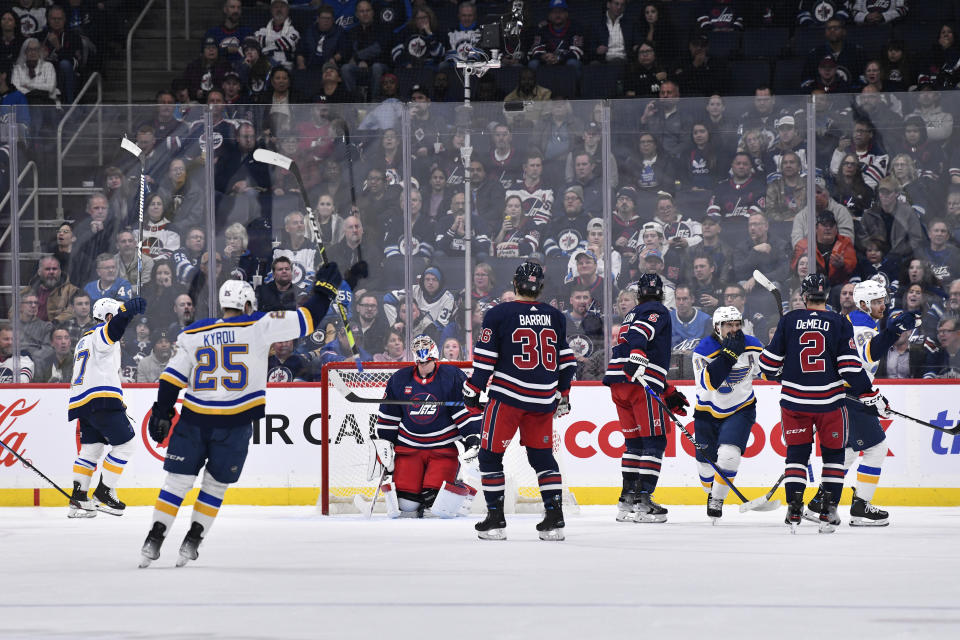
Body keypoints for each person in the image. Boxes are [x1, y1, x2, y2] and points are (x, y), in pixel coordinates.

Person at [139, 264, 342, 567]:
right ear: (247, 306)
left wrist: (163, 411)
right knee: (215, 486)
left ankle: (154, 538)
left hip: (195, 418)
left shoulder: (194, 332)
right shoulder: (259, 325)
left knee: (177, 482)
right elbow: (307, 319)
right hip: (235, 423)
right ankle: (192, 540)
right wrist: (324, 292)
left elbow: (171, 379)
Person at [759, 274, 888, 533]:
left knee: (796, 456)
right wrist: (869, 393)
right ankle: (828, 512)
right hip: (830, 403)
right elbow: (850, 367)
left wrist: (780, 371)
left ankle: (794, 508)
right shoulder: (840, 322)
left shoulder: (789, 321)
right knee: (833, 457)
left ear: (804, 296)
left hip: (794, 402)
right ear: (827, 295)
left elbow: (767, 366)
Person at [464, 262, 576, 541]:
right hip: (543, 400)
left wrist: (473, 388)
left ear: (515, 284)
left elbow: (486, 359)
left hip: (508, 398)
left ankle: (495, 519)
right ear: (540, 286)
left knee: (490, 456)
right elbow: (568, 363)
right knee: (542, 457)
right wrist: (563, 393)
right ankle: (554, 518)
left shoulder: (499, 313)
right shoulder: (556, 316)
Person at [801, 279, 919, 527]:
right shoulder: (860, 322)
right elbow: (868, 354)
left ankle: (819, 503)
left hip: (847, 395)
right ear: (863, 303)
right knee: (876, 449)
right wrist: (893, 331)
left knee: (850, 451)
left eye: (883, 300)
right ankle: (860, 507)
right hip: (849, 396)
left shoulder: (860, 320)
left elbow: (862, 363)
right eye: (877, 302)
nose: (882, 306)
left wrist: (872, 393)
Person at [603, 273, 690, 523]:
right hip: (638, 383)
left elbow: (637, 336)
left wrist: (667, 389)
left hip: (620, 383)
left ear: (638, 293)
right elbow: (641, 335)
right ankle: (643, 502)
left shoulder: (633, 311)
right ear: (662, 293)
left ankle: (627, 501)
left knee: (635, 444)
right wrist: (638, 355)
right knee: (654, 441)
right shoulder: (657, 309)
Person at [370, 335, 481, 517]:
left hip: (442, 450)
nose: (424, 366)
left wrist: (471, 437)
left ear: (435, 358)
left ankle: (459, 486)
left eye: (427, 361)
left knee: (435, 506)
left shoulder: (451, 376)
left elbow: (462, 410)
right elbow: (389, 415)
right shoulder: (399, 379)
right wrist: (386, 444)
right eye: (420, 362)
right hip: (409, 448)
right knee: (407, 507)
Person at [66, 295, 148, 518]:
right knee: (126, 445)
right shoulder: (102, 333)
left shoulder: (84, 338)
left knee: (90, 450)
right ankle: (103, 493)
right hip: (101, 399)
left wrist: (125, 312)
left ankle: (79, 500)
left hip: (82, 401)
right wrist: (127, 312)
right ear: (109, 317)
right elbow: (113, 329)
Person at [691, 306, 764, 522]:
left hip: (741, 408)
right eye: (728, 325)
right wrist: (729, 355)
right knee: (705, 467)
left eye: (736, 324)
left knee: (729, 456)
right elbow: (710, 384)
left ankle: (717, 499)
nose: (734, 329)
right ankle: (711, 492)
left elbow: (767, 371)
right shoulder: (704, 349)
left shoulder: (752, 345)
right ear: (717, 327)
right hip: (707, 411)